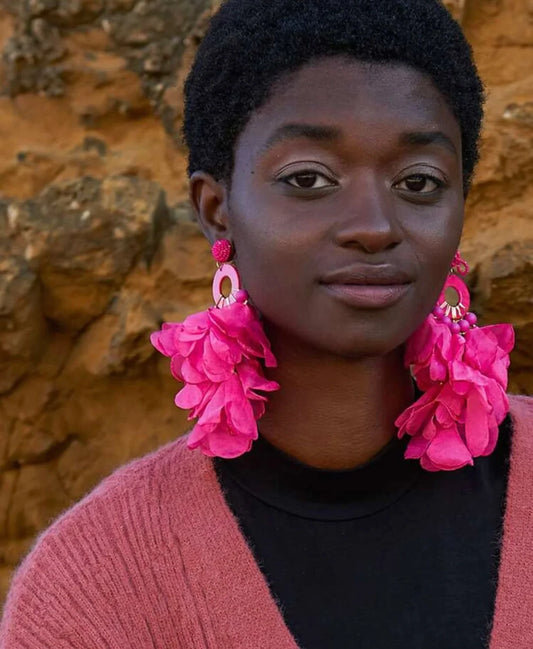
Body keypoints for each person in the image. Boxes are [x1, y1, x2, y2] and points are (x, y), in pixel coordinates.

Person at [1, 1, 532, 648]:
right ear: (216, 209)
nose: (373, 225)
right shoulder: (97, 586)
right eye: (308, 178)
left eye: (418, 181)